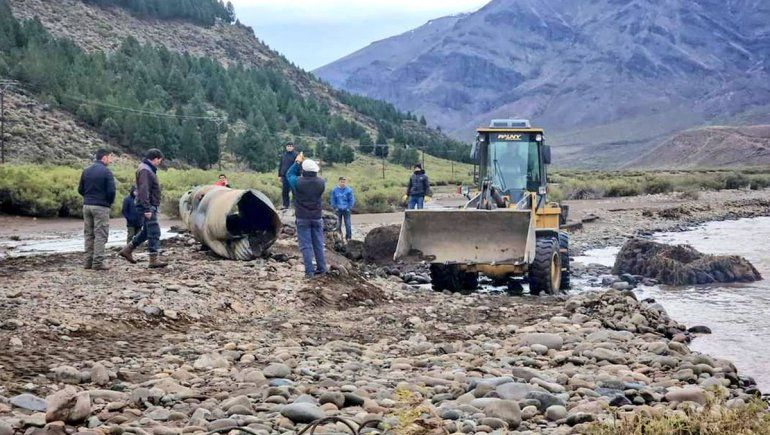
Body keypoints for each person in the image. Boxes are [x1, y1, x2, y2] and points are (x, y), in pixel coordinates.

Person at [119, 149, 168, 268]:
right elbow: (144, 190)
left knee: (146, 232)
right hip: (148, 206)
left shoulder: (145, 168)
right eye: (159, 160)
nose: (159, 163)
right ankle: (153, 259)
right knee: (154, 231)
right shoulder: (146, 170)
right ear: (155, 158)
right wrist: (147, 209)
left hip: (148, 205)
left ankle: (127, 249)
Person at [286, 156, 327, 278]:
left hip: (302, 217)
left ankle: (309, 272)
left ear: (304, 170)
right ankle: (322, 268)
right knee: (318, 243)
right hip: (317, 216)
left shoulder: (297, 182)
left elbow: (289, 174)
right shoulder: (321, 182)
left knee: (306, 245)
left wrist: (297, 162)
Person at [78, 148, 116, 270]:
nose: (111, 160)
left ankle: (88, 262)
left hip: (87, 205)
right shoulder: (106, 172)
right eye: (110, 157)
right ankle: (98, 263)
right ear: (104, 158)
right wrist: (107, 202)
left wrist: (88, 197)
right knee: (100, 234)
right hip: (101, 206)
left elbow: (80, 189)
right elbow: (111, 191)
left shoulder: (86, 171)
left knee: (89, 234)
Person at [330, 176, 355, 240]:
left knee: (348, 224)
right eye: (341, 182)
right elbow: (333, 200)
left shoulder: (349, 190)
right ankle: (339, 238)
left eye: (344, 182)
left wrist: (349, 207)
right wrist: (335, 207)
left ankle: (348, 238)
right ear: (339, 182)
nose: (343, 183)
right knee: (338, 225)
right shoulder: (334, 190)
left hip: (346, 210)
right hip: (338, 210)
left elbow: (351, 200)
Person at [278, 142, 298, 209]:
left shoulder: (296, 155)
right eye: (288, 146)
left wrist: (298, 175)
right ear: (286, 147)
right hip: (284, 176)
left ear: (293, 147)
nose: (289, 147)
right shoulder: (283, 155)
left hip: (293, 176)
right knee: (285, 191)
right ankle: (285, 205)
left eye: (290, 146)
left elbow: (298, 166)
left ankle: (295, 206)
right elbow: (280, 165)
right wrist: (279, 175)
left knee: (294, 191)